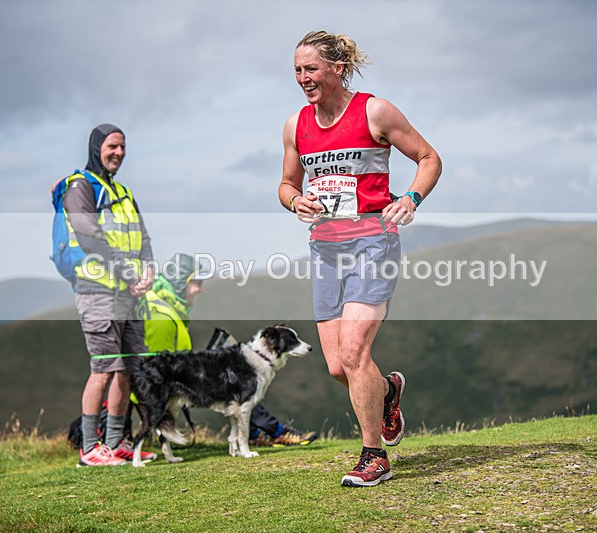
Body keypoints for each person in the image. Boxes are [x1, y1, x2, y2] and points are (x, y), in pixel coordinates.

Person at [278, 31, 441, 486]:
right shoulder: (296, 125)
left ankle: (374, 456)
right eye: (297, 70)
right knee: (337, 366)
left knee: (353, 353)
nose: (302, 78)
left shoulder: (375, 111)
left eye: (310, 69)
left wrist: (410, 198)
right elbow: (286, 184)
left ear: (338, 69)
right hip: (326, 249)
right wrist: (296, 202)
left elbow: (429, 158)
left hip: (374, 242)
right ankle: (387, 391)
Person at [140, 253, 318, 447]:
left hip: (181, 379)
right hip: (170, 385)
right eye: (196, 283)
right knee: (241, 385)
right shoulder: (163, 318)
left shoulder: (172, 311)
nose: (201, 289)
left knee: (239, 382)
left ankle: (262, 431)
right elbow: (158, 370)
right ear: (180, 283)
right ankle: (271, 432)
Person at [63, 123, 157, 467]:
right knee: (103, 368)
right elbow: (89, 235)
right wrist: (128, 272)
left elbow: (143, 238)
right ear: (96, 147)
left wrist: (147, 270)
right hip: (98, 292)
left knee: (129, 369)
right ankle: (90, 448)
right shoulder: (80, 187)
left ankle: (116, 443)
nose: (118, 153)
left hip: (129, 294)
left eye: (122, 147)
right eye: (112, 146)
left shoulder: (123, 192)